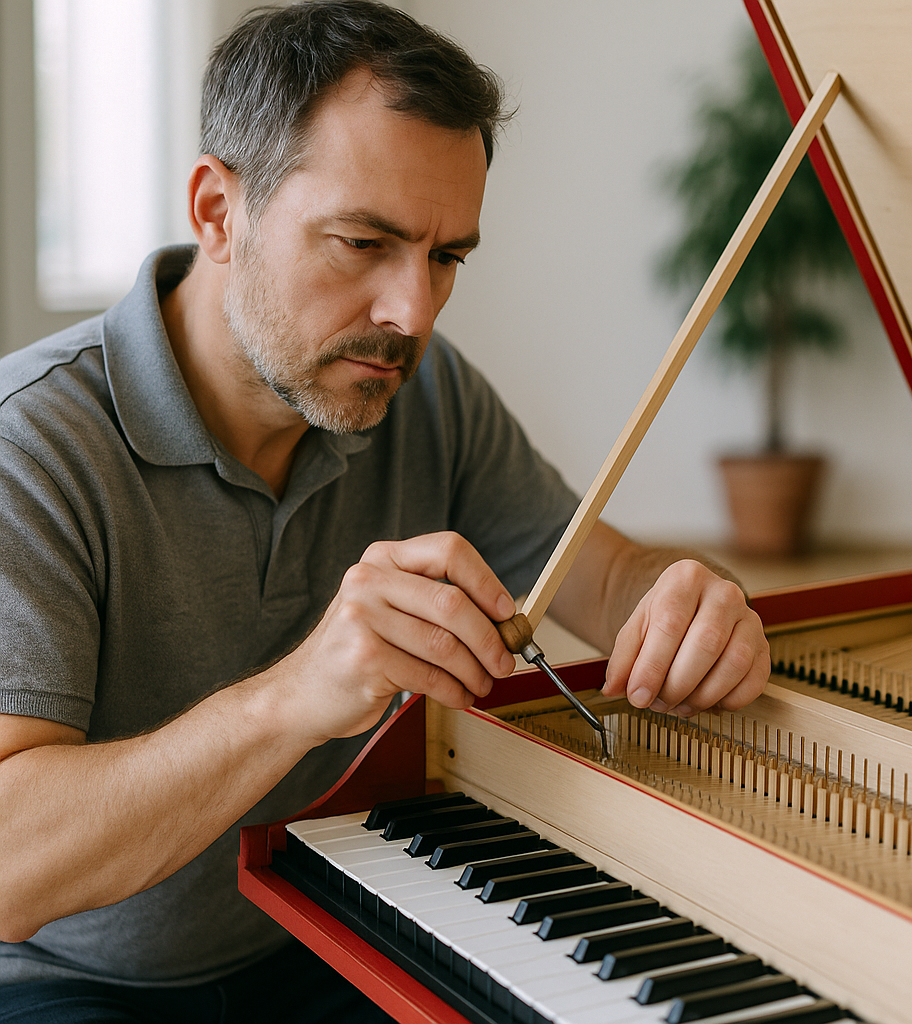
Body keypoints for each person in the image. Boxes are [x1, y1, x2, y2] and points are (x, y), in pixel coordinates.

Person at [0, 2, 770, 1020]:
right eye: (363, 242)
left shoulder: (423, 391)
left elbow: (604, 580)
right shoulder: (31, 445)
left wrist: (689, 603)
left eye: (447, 256)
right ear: (217, 211)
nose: (413, 312)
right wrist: (293, 695)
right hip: (80, 986)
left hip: (335, 921)